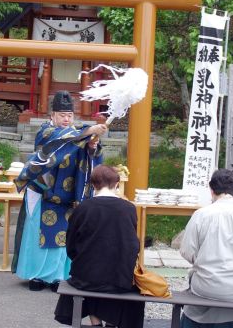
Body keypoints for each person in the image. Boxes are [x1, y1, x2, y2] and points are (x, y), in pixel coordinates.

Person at [12, 90, 107, 291]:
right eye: (62, 115)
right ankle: (36, 276)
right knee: (36, 236)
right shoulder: (46, 132)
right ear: (52, 116)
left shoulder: (78, 133)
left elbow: (90, 155)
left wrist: (92, 145)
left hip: (67, 194)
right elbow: (60, 141)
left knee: (64, 237)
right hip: (42, 192)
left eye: (70, 115)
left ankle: (58, 277)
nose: (66, 119)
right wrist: (88, 132)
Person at [54, 165, 144, 328]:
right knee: (114, 277)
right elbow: (131, 244)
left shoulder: (83, 208)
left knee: (90, 273)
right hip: (119, 277)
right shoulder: (128, 208)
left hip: (87, 276)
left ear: (93, 185)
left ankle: (96, 323)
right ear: (117, 184)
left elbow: (71, 245)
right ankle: (111, 323)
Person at [180, 169, 233, 328]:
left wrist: (205, 260)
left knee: (197, 279)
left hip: (210, 287)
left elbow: (187, 252)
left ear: (212, 190)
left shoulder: (202, 214)